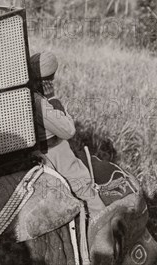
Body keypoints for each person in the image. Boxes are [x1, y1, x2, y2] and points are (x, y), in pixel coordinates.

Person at [29, 51, 105, 216]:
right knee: (85, 188)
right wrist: (53, 98)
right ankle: (101, 226)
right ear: (48, 80)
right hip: (51, 154)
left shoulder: (22, 95)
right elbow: (68, 131)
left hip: (30, 154)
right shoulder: (39, 102)